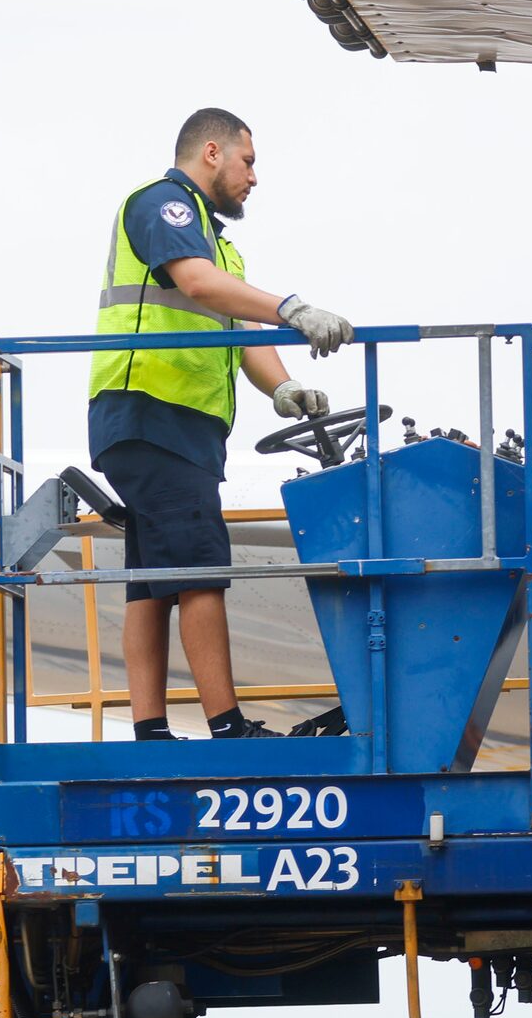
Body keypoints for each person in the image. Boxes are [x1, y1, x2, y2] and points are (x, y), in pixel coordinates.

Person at [91, 108, 354, 740]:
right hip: (152, 412)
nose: (254, 178)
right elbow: (199, 286)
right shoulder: (166, 206)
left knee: (151, 580)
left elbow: (240, 329)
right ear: (212, 152)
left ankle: (150, 728)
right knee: (203, 569)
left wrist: (283, 385)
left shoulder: (218, 242)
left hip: (173, 425)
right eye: (248, 161)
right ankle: (227, 726)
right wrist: (293, 306)